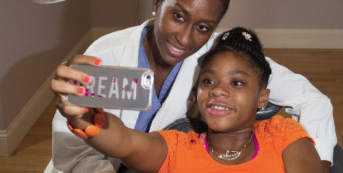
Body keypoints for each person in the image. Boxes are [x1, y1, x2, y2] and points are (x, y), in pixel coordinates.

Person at [50, 0, 336, 172]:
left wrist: (316, 160)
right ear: (158, 0)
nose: (185, 39)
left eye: (203, 27)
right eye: (178, 16)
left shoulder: (221, 56)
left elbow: (312, 100)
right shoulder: (103, 56)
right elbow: (87, 148)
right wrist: (79, 114)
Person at [57, 27, 324, 173]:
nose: (218, 90)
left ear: (262, 98)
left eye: (237, 82)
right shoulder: (178, 146)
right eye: (208, 81)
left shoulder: (282, 134)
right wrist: (84, 116)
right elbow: (125, 142)